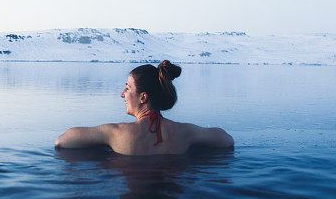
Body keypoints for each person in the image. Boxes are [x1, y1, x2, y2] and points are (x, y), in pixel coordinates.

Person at [55, 60, 234, 156]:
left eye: (127, 88)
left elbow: (61, 141)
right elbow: (227, 140)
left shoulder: (115, 133)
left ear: (143, 97)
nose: (122, 94)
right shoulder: (185, 132)